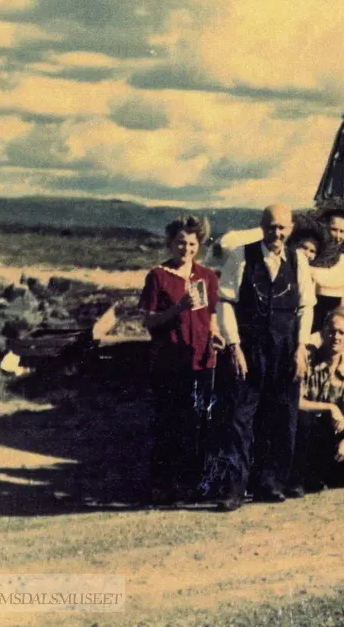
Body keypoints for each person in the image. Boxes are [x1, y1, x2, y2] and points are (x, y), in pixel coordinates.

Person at [214, 204, 315, 511]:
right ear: (262, 227)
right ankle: (233, 489)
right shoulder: (241, 256)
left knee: (281, 417)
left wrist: (301, 348)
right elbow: (225, 302)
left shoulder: (298, 260)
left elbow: (305, 307)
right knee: (238, 420)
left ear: (291, 229)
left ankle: (270, 484)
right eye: (271, 227)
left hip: (285, 350)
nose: (277, 233)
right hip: (250, 348)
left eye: (282, 228)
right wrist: (234, 346)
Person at [139, 215, 221, 505]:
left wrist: (216, 336)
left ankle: (193, 484)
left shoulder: (207, 276)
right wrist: (178, 308)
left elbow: (210, 317)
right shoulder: (158, 276)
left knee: (198, 423)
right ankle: (164, 485)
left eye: (191, 243)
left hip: (201, 360)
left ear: (199, 245)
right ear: (170, 244)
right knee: (168, 423)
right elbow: (149, 322)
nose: (186, 249)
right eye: (180, 243)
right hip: (169, 361)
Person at [290, 307, 344, 495]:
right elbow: (296, 402)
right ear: (323, 332)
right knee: (304, 422)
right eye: (331, 331)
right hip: (303, 427)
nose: (336, 337)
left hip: (330, 429)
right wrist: (329, 407)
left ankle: (327, 477)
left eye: (341, 333)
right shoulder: (307, 359)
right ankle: (297, 481)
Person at [309, 206, 344, 332]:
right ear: (324, 228)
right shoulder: (311, 255)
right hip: (311, 322)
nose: (338, 236)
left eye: (342, 231)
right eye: (333, 230)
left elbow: (343, 299)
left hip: (333, 327)